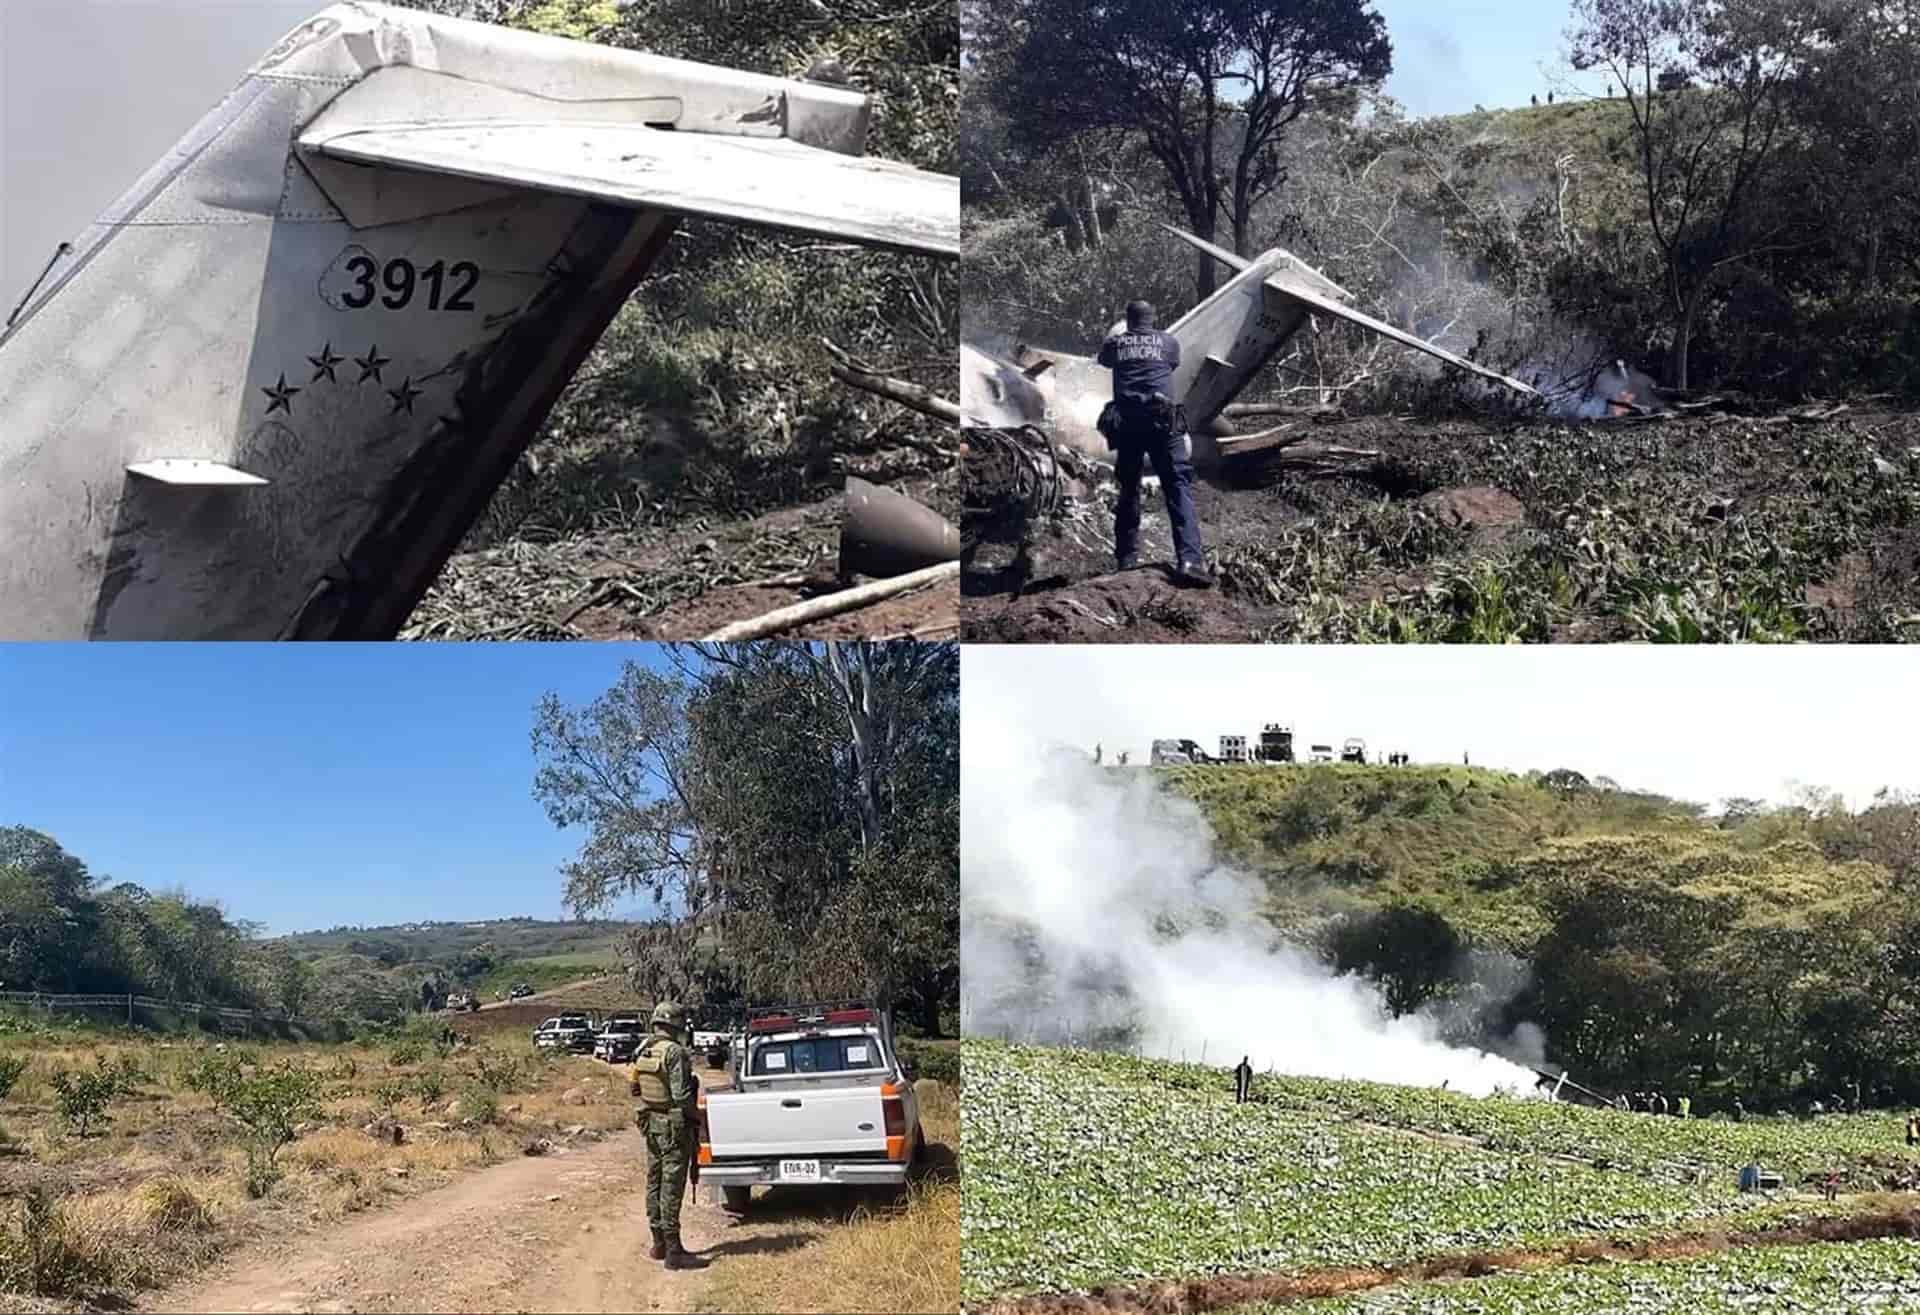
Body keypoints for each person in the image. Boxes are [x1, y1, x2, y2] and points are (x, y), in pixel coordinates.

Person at [1097, 300, 1210, 586]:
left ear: (1128, 320)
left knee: (1129, 489)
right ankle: (1190, 561)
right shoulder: (1168, 342)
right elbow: (1171, 364)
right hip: (1163, 424)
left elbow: (1105, 360)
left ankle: (1127, 558)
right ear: (1153, 318)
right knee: (1177, 487)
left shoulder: (1116, 344)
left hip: (1129, 426)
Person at [628, 1000, 708, 1270]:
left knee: (654, 1181)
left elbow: (635, 1088)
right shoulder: (675, 1052)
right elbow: (682, 1096)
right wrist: (698, 1116)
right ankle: (674, 1252)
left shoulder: (645, 1049)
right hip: (673, 1128)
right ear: (677, 1025)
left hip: (650, 1122)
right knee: (671, 1186)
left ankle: (658, 1243)